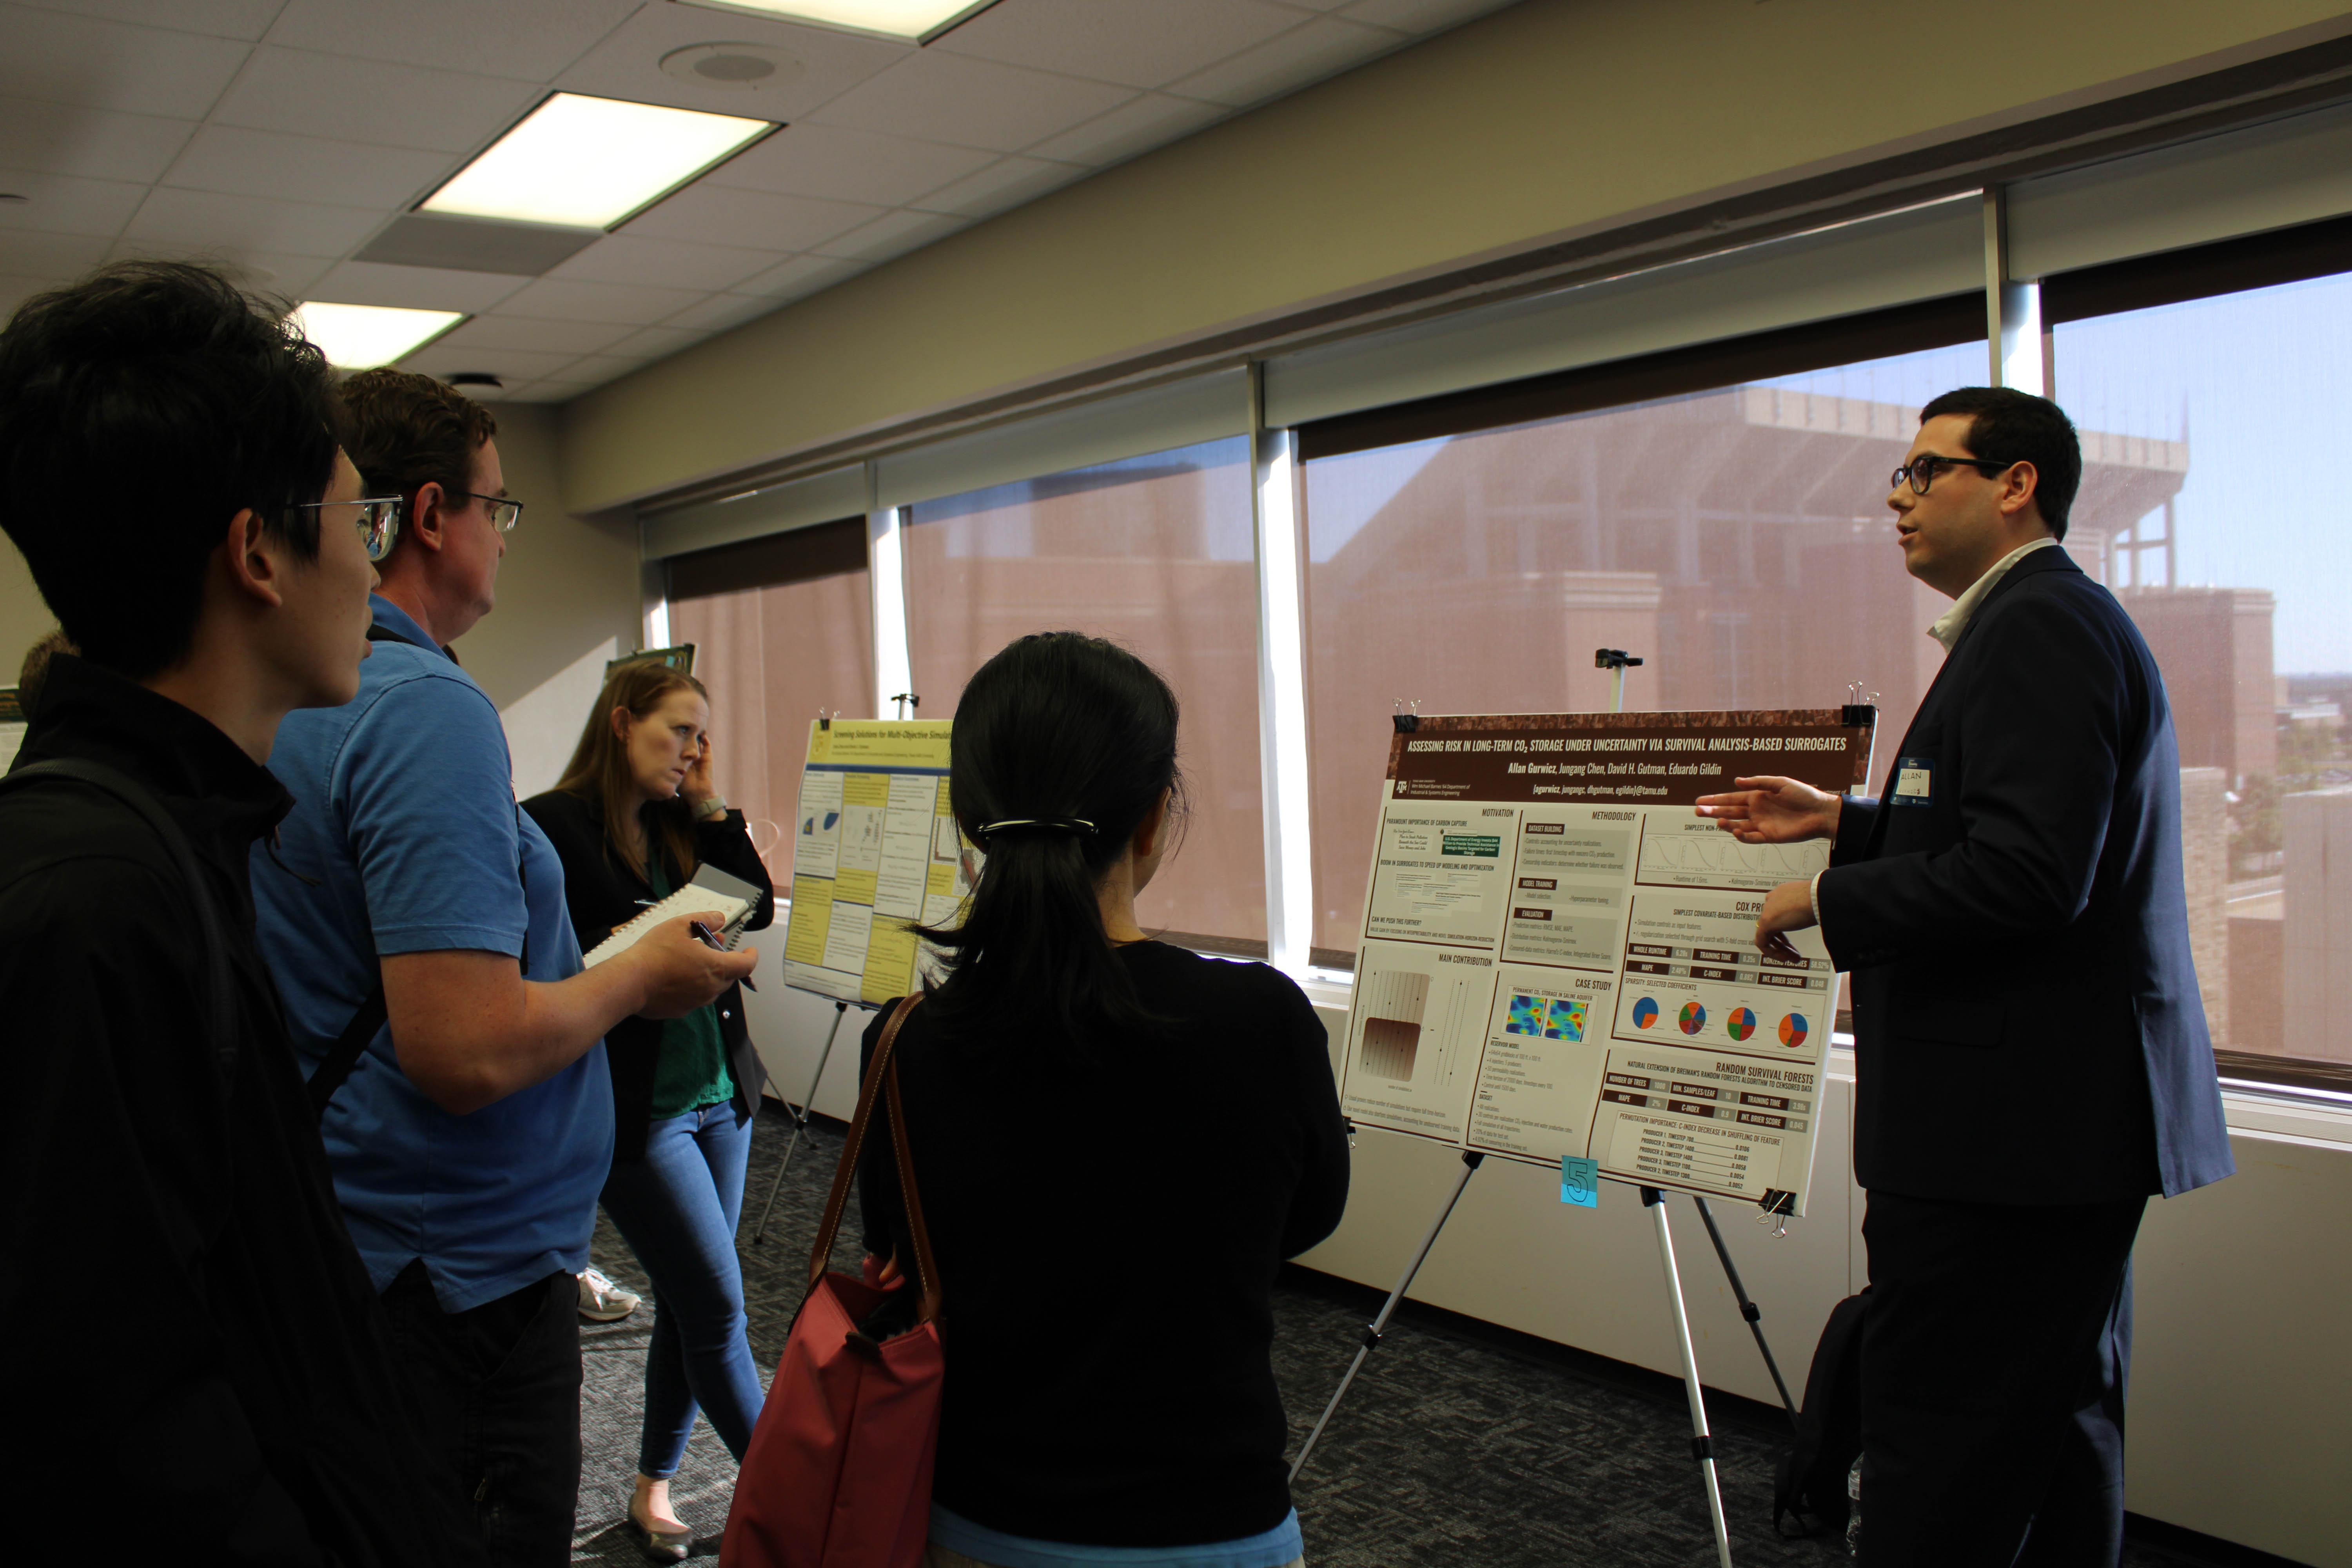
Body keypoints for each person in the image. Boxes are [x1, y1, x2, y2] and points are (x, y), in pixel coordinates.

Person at [1694, 386, 2234, 1565]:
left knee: (1948, 1449)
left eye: (1926, 470)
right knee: (2051, 1425)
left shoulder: (2040, 624)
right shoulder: (2039, 620)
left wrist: (1828, 901)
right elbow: (1997, 831)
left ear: (2016, 483)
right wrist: (1847, 820)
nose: (1897, 494)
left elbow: (2033, 875)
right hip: (2049, 1132)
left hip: (2010, 1139)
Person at [252, 367, 758, 1566]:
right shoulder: (422, 708)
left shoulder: (296, 691)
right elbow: (465, 1047)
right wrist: (639, 979)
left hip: (366, 1236)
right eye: (500, 507)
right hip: (454, 1279)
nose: (502, 536)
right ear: (431, 516)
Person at [0, 261, 456, 1563]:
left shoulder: (162, 837)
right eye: (358, 526)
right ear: (257, 551)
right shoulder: (95, 906)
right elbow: (108, 1438)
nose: (374, 577)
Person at [852, 631, 1349, 1568]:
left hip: (975, 1519)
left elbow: (896, 1254)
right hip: (1215, 1521)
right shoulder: (1262, 1019)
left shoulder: (906, 1040)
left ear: (969, 824)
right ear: (1155, 817)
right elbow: (1307, 1216)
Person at [523, 660, 775, 1561]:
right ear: (622, 723)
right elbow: (546, 964)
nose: (693, 751)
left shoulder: (682, 822)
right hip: (639, 1113)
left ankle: (651, 1484)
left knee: (686, 1303)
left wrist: (709, 801)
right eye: (678, 732)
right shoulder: (550, 826)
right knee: (715, 1308)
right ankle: (792, 1507)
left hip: (720, 1096)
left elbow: (750, 907)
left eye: (704, 735)